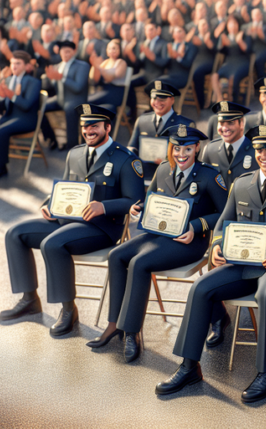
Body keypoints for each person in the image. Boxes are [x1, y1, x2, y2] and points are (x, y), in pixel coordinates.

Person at [156, 126, 266, 403]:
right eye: (259, 149)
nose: (263, 154)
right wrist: (218, 245)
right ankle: (188, 366)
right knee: (201, 288)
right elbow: (223, 222)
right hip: (243, 264)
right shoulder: (242, 183)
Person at [0, 105, 144, 334]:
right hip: (67, 220)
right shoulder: (75, 153)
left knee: (53, 243)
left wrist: (103, 206)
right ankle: (29, 300)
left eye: (94, 126)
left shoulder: (126, 159)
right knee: (15, 234)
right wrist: (49, 203)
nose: (88, 131)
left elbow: (136, 201)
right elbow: (65, 187)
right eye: (85, 126)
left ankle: (68, 310)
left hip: (101, 228)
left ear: (107, 127)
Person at [91, 125, 228, 362]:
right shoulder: (164, 169)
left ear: (197, 148)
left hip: (189, 241)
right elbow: (150, 200)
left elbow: (227, 212)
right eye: (176, 148)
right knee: (117, 255)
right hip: (158, 234)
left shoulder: (209, 175)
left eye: (187, 148)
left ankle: (133, 332)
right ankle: (115, 324)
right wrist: (138, 208)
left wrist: (196, 227)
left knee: (140, 263)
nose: (181, 154)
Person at [0, 51, 43, 180]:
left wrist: (12, 95)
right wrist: (0, 96)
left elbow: (26, 106)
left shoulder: (33, 82)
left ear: (25, 66)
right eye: (12, 63)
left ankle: (0, 167)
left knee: (2, 131)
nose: (14, 66)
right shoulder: (7, 80)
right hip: (10, 117)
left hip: (26, 119)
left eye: (18, 64)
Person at [127, 81, 195, 177]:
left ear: (172, 100)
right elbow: (132, 148)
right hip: (143, 175)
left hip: (171, 178)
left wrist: (170, 163)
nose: (157, 102)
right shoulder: (142, 120)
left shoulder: (185, 125)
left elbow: (191, 158)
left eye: (162, 98)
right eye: (154, 98)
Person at [40, 40, 91, 150]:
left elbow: (78, 87)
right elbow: (53, 87)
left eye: (68, 51)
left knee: (70, 109)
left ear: (73, 52)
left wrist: (61, 78)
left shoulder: (82, 66)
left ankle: (72, 145)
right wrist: (49, 78)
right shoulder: (57, 66)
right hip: (60, 99)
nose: (66, 54)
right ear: (59, 53)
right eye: (63, 51)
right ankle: (51, 138)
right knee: (40, 107)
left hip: (76, 100)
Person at [199, 101, 257, 189]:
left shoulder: (256, 151)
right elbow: (203, 183)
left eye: (230, 123)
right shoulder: (210, 150)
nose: (225, 128)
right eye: (221, 123)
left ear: (241, 124)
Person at [211, 16, 252, 106]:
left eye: (235, 23)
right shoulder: (225, 37)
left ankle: (232, 100)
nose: (233, 26)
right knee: (214, 76)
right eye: (230, 24)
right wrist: (222, 44)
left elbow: (248, 50)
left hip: (242, 62)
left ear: (238, 25)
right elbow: (219, 51)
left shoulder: (244, 35)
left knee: (233, 78)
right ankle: (219, 99)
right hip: (229, 62)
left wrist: (239, 41)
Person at [88, 39, 129, 112]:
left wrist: (99, 67)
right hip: (104, 90)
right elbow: (93, 79)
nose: (112, 50)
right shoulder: (105, 62)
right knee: (87, 101)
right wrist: (94, 65)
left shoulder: (122, 63)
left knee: (90, 101)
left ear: (119, 50)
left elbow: (110, 78)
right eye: (109, 48)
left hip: (116, 92)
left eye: (114, 48)